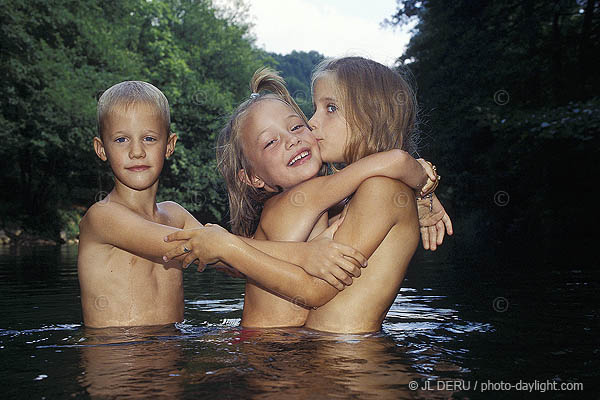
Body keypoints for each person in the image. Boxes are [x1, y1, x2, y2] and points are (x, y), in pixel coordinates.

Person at [164, 62, 445, 332]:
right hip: (296, 355)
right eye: (271, 142)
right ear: (253, 177)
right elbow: (396, 160)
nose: (312, 124)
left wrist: (423, 190)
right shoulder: (316, 196)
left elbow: (394, 162)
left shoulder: (373, 190)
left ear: (371, 116)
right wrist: (423, 182)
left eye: (330, 109)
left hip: (291, 352)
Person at [77, 80, 364, 329]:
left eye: (149, 139)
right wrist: (303, 255)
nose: (136, 151)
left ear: (169, 145)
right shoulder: (102, 217)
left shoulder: (175, 214)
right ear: (102, 149)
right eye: (121, 139)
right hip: (114, 355)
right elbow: (195, 245)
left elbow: (230, 255)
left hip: (171, 350)